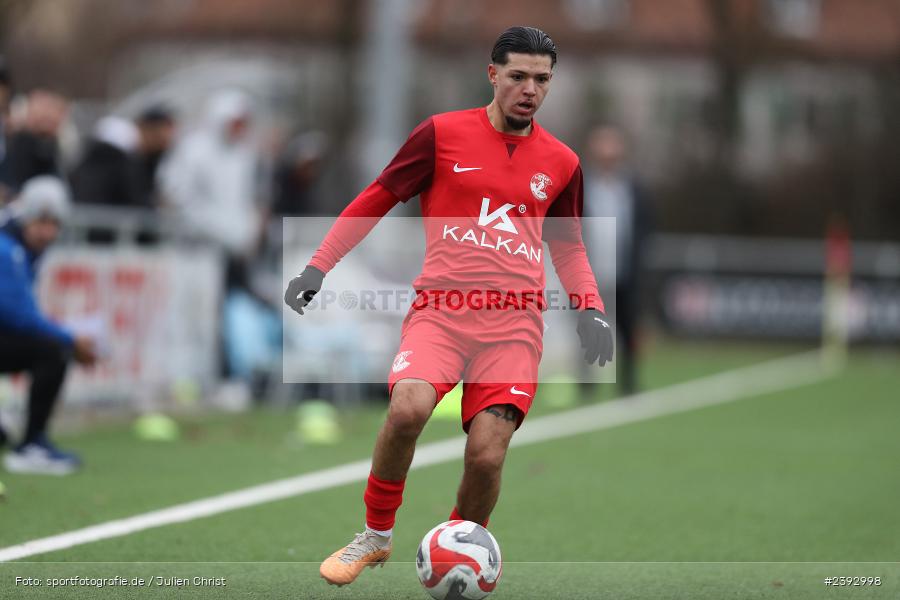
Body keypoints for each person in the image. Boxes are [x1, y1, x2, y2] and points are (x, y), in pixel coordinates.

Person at [284, 26, 614, 587]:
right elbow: (375, 199)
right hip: (441, 311)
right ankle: (376, 536)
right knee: (408, 409)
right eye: (517, 76)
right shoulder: (440, 135)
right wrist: (319, 265)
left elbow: (569, 246)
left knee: (486, 456)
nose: (529, 89)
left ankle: (460, 549)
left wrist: (591, 308)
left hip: (514, 325)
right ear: (493, 75)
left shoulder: (561, 162)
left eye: (541, 80)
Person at [0, 176, 97, 475]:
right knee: (53, 349)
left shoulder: (19, 247)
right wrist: (71, 337)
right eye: (41, 221)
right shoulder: (7, 249)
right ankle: (31, 445)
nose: (47, 232)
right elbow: (18, 316)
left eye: (53, 223)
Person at [581, 125, 653, 396]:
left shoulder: (634, 188)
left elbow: (645, 227)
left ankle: (629, 382)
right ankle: (586, 382)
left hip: (625, 271)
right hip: (590, 272)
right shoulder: (582, 186)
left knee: (628, 327)